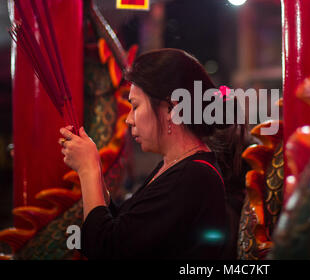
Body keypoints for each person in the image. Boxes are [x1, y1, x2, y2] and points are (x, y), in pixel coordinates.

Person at [59, 48, 247, 259]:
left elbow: (107, 249)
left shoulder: (194, 177)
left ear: (171, 109)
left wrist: (88, 170)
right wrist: (98, 181)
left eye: (135, 106)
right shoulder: (176, 164)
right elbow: (129, 229)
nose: (129, 119)